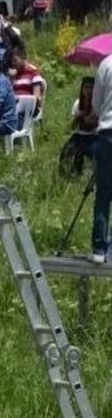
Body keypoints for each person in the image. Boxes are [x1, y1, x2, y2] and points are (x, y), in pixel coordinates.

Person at [90, 56, 112, 264]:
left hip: (107, 133)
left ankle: (99, 248)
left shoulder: (105, 64)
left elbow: (96, 104)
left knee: (103, 194)